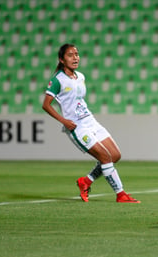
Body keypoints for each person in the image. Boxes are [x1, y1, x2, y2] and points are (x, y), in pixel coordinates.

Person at [42, 43, 139, 203]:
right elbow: (46, 105)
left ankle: (86, 181)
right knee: (105, 158)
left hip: (90, 120)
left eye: (77, 54)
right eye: (70, 55)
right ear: (61, 59)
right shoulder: (58, 80)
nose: (75, 58)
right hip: (76, 126)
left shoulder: (80, 76)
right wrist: (64, 121)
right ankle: (121, 194)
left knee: (115, 155)